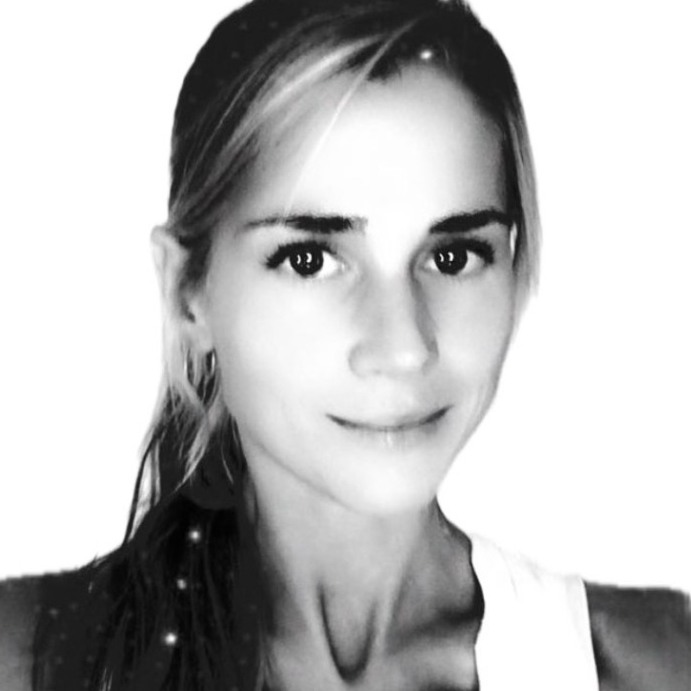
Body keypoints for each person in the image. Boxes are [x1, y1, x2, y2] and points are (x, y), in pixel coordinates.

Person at [1, 0, 689, 689]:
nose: (403, 347)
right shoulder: (24, 659)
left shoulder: (655, 664)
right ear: (188, 292)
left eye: (451, 256)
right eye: (309, 259)